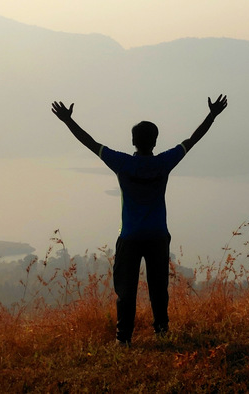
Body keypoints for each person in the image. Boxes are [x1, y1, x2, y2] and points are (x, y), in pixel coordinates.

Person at [51, 94, 228, 345]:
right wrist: (212, 115)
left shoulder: (122, 163)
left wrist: (68, 121)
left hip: (130, 237)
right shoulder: (164, 162)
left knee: (125, 291)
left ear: (133, 141)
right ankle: (162, 331)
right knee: (158, 288)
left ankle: (123, 339)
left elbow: (90, 143)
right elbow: (192, 140)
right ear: (155, 142)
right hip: (157, 235)